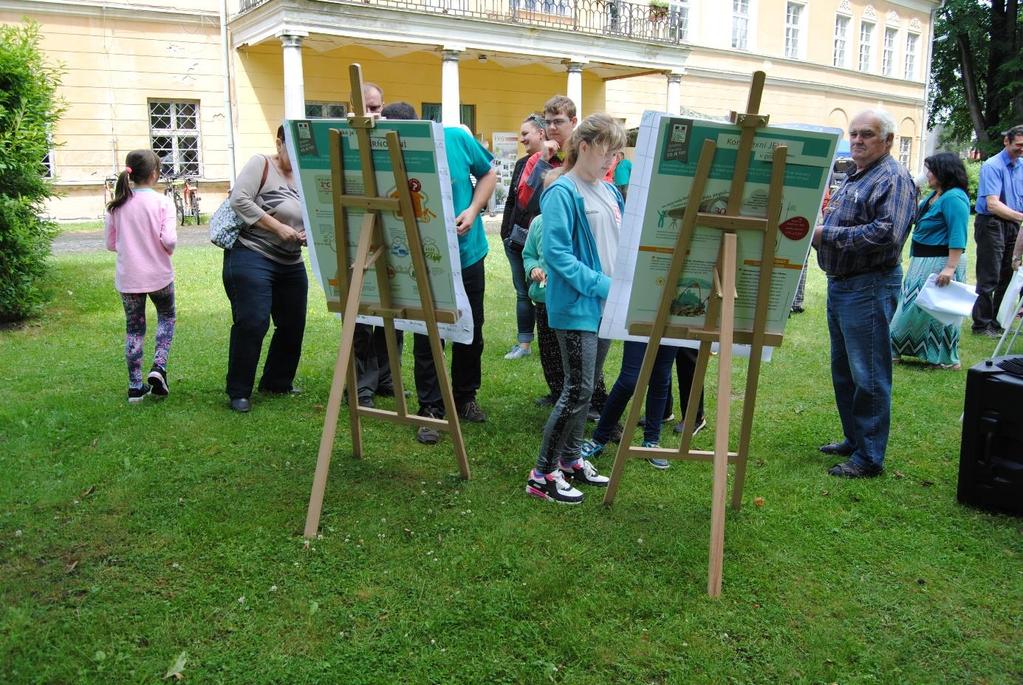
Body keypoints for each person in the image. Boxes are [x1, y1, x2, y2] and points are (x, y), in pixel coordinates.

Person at [525, 113, 626, 504]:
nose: (611, 160)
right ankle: (541, 474)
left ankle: (569, 460)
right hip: (576, 306)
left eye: (616, 154)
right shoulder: (562, 192)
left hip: (604, 306)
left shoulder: (609, 190)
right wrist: (605, 285)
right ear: (583, 146)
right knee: (576, 391)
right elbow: (557, 256)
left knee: (587, 388)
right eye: (606, 151)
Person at [811, 109, 917, 478]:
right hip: (843, 284)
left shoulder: (893, 177)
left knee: (868, 374)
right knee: (844, 371)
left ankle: (869, 457)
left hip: (869, 286)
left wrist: (826, 235)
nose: (857, 140)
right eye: (854, 134)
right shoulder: (858, 176)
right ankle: (854, 439)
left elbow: (887, 233)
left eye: (867, 135)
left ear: (887, 141)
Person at [413, 121, 497, 444]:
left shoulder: (457, 138)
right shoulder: (394, 150)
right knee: (428, 331)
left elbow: (488, 173)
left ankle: (464, 397)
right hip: (426, 259)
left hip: (468, 252)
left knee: (471, 328)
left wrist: (474, 210)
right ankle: (431, 407)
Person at [223, 125, 307, 413]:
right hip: (252, 254)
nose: (298, 156)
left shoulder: (306, 176)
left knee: (293, 324)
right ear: (279, 143)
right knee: (253, 321)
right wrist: (278, 227)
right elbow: (239, 199)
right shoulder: (261, 164)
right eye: (292, 148)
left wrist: (308, 231)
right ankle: (239, 391)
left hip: (291, 260)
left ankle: (277, 382)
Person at [104, 149, 177, 403]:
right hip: (159, 276)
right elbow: (168, 239)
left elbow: (111, 244)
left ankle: (135, 386)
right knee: (167, 316)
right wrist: (166, 248)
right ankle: (159, 367)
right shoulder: (162, 202)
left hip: (129, 278)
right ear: (155, 174)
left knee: (134, 329)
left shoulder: (117, 204)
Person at [890, 152, 970, 369]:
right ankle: (900, 347)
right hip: (923, 259)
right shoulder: (935, 196)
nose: (927, 174)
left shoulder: (954, 197)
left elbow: (958, 233)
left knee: (938, 310)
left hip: (941, 260)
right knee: (914, 304)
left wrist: (950, 267)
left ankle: (943, 357)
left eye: (931, 170)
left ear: (945, 172)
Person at [500, 113, 547, 360]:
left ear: (541, 133)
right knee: (522, 292)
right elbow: (512, 201)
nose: (522, 139)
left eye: (526, 134)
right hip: (516, 240)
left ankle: (551, 343)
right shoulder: (521, 164)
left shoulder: (557, 164)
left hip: (542, 240)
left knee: (542, 292)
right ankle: (524, 344)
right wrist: (505, 232)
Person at [971, 125, 1023, 336]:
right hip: (991, 223)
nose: (1022, 149)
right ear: (1006, 142)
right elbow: (992, 204)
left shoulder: (1021, 166)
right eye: (1019, 145)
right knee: (989, 275)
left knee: (1008, 274)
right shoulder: (993, 165)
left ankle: (998, 320)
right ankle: (981, 324)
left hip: (1013, 224)